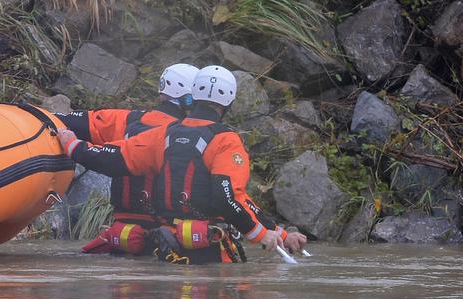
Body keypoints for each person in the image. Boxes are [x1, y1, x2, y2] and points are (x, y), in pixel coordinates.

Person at [58, 65, 308, 263]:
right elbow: (229, 197)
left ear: (193, 96)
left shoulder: (162, 134)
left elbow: (115, 158)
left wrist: (73, 146)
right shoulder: (225, 141)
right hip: (207, 250)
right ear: (230, 101)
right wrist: (261, 234)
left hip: (166, 247)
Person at [55, 63, 200, 255]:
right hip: (170, 239)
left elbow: (74, 121)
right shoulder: (195, 136)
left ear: (162, 92)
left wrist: (64, 135)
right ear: (191, 99)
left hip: (125, 236)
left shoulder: (128, 120)